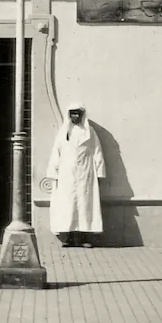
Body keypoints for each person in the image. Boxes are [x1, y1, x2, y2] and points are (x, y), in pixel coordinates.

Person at [46, 102, 106, 247]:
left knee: (85, 205)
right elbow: (56, 152)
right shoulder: (63, 132)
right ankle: (69, 238)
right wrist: (53, 172)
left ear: (82, 115)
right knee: (68, 205)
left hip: (85, 173)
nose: (75, 116)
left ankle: (85, 238)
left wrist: (99, 173)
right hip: (67, 174)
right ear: (69, 115)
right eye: (72, 113)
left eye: (77, 113)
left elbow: (97, 152)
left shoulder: (90, 132)